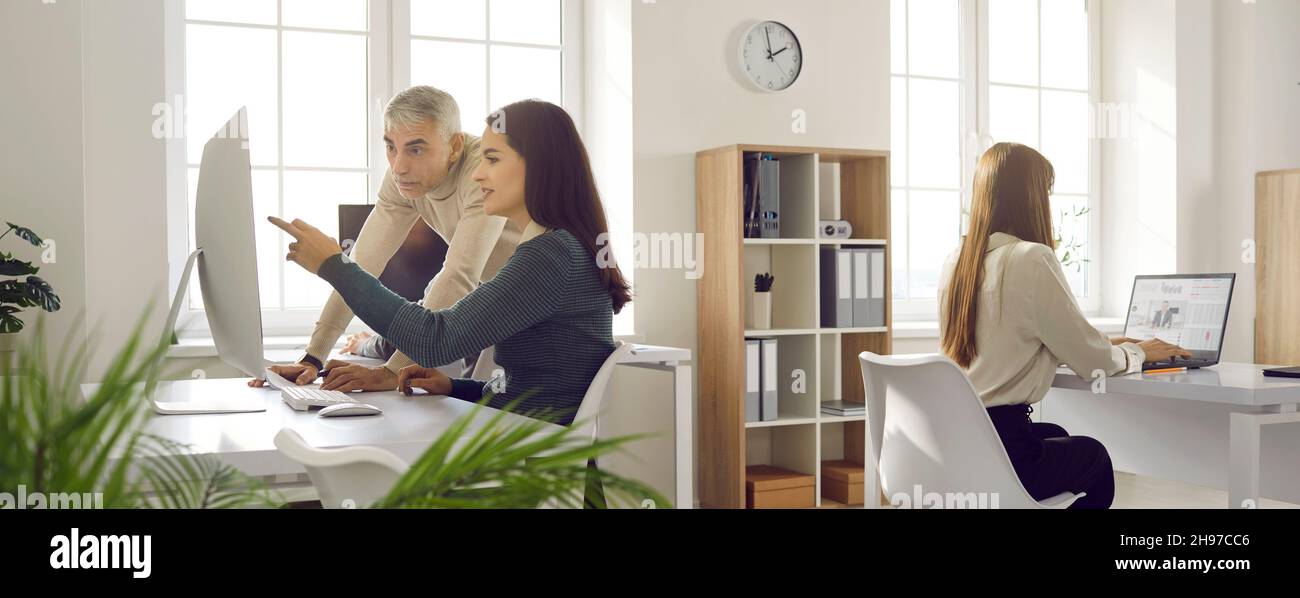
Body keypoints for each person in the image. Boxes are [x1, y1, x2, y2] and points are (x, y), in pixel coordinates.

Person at [267, 99, 631, 426]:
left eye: (492, 159)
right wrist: (453, 385)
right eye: (391, 148)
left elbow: (435, 337)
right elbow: (525, 385)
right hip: (526, 439)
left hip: (532, 458)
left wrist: (333, 265)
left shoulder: (550, 256)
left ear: (536, 168)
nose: (477, 173)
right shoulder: (553, 248)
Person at [938, 142, 1191, 509]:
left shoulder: (956, 260)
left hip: (960, 441)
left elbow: (1005, 337)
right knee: (1096, 459)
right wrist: (1137, 352)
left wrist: (1103, 341)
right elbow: (1094, 365)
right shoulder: (1031, 258)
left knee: (1055, 434)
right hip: (1005, 446)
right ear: (1031, 197)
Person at [249, 85, 519, 392]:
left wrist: (392, 371)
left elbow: (458, 276)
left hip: (534, 302)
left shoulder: (482, 171)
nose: (398, 167)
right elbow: (360, 266)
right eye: (391, 146)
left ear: (455, 146)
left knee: (489, 415)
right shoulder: (401, 180)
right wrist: (313, 358)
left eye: (416, 149)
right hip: (492, 296)